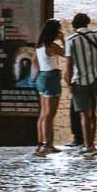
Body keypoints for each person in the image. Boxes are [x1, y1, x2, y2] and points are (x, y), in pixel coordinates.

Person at [65, 12, 97, 155]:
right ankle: (92, 144)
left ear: (74, 24)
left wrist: (69, 83)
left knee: (84, 115)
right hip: (95, 79)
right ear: (87, 23)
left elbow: (69, 65)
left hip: (80, 81)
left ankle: (88, 145)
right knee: (93, 113)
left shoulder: (71, 40)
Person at [33, 18, 66, 155]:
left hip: (42, 76)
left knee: (43, 113)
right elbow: (67, 53)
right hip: (51, 77)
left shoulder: (39, 46)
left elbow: (34, 61)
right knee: (50, 114)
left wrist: (42, 71)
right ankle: (47, 145)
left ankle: (41, 143)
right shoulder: (52, 46)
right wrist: (63, 39)